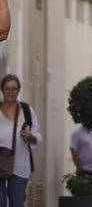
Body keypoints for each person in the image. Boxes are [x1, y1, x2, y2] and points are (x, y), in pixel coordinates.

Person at [0, 75, 39, 207]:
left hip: (20, 165)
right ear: (2, 90)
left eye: (14, 89)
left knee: (17, 203)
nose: (10, 92)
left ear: (18, 90)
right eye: (7, 89)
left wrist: (31, 137)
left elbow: (38, 135)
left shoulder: (27, 110)